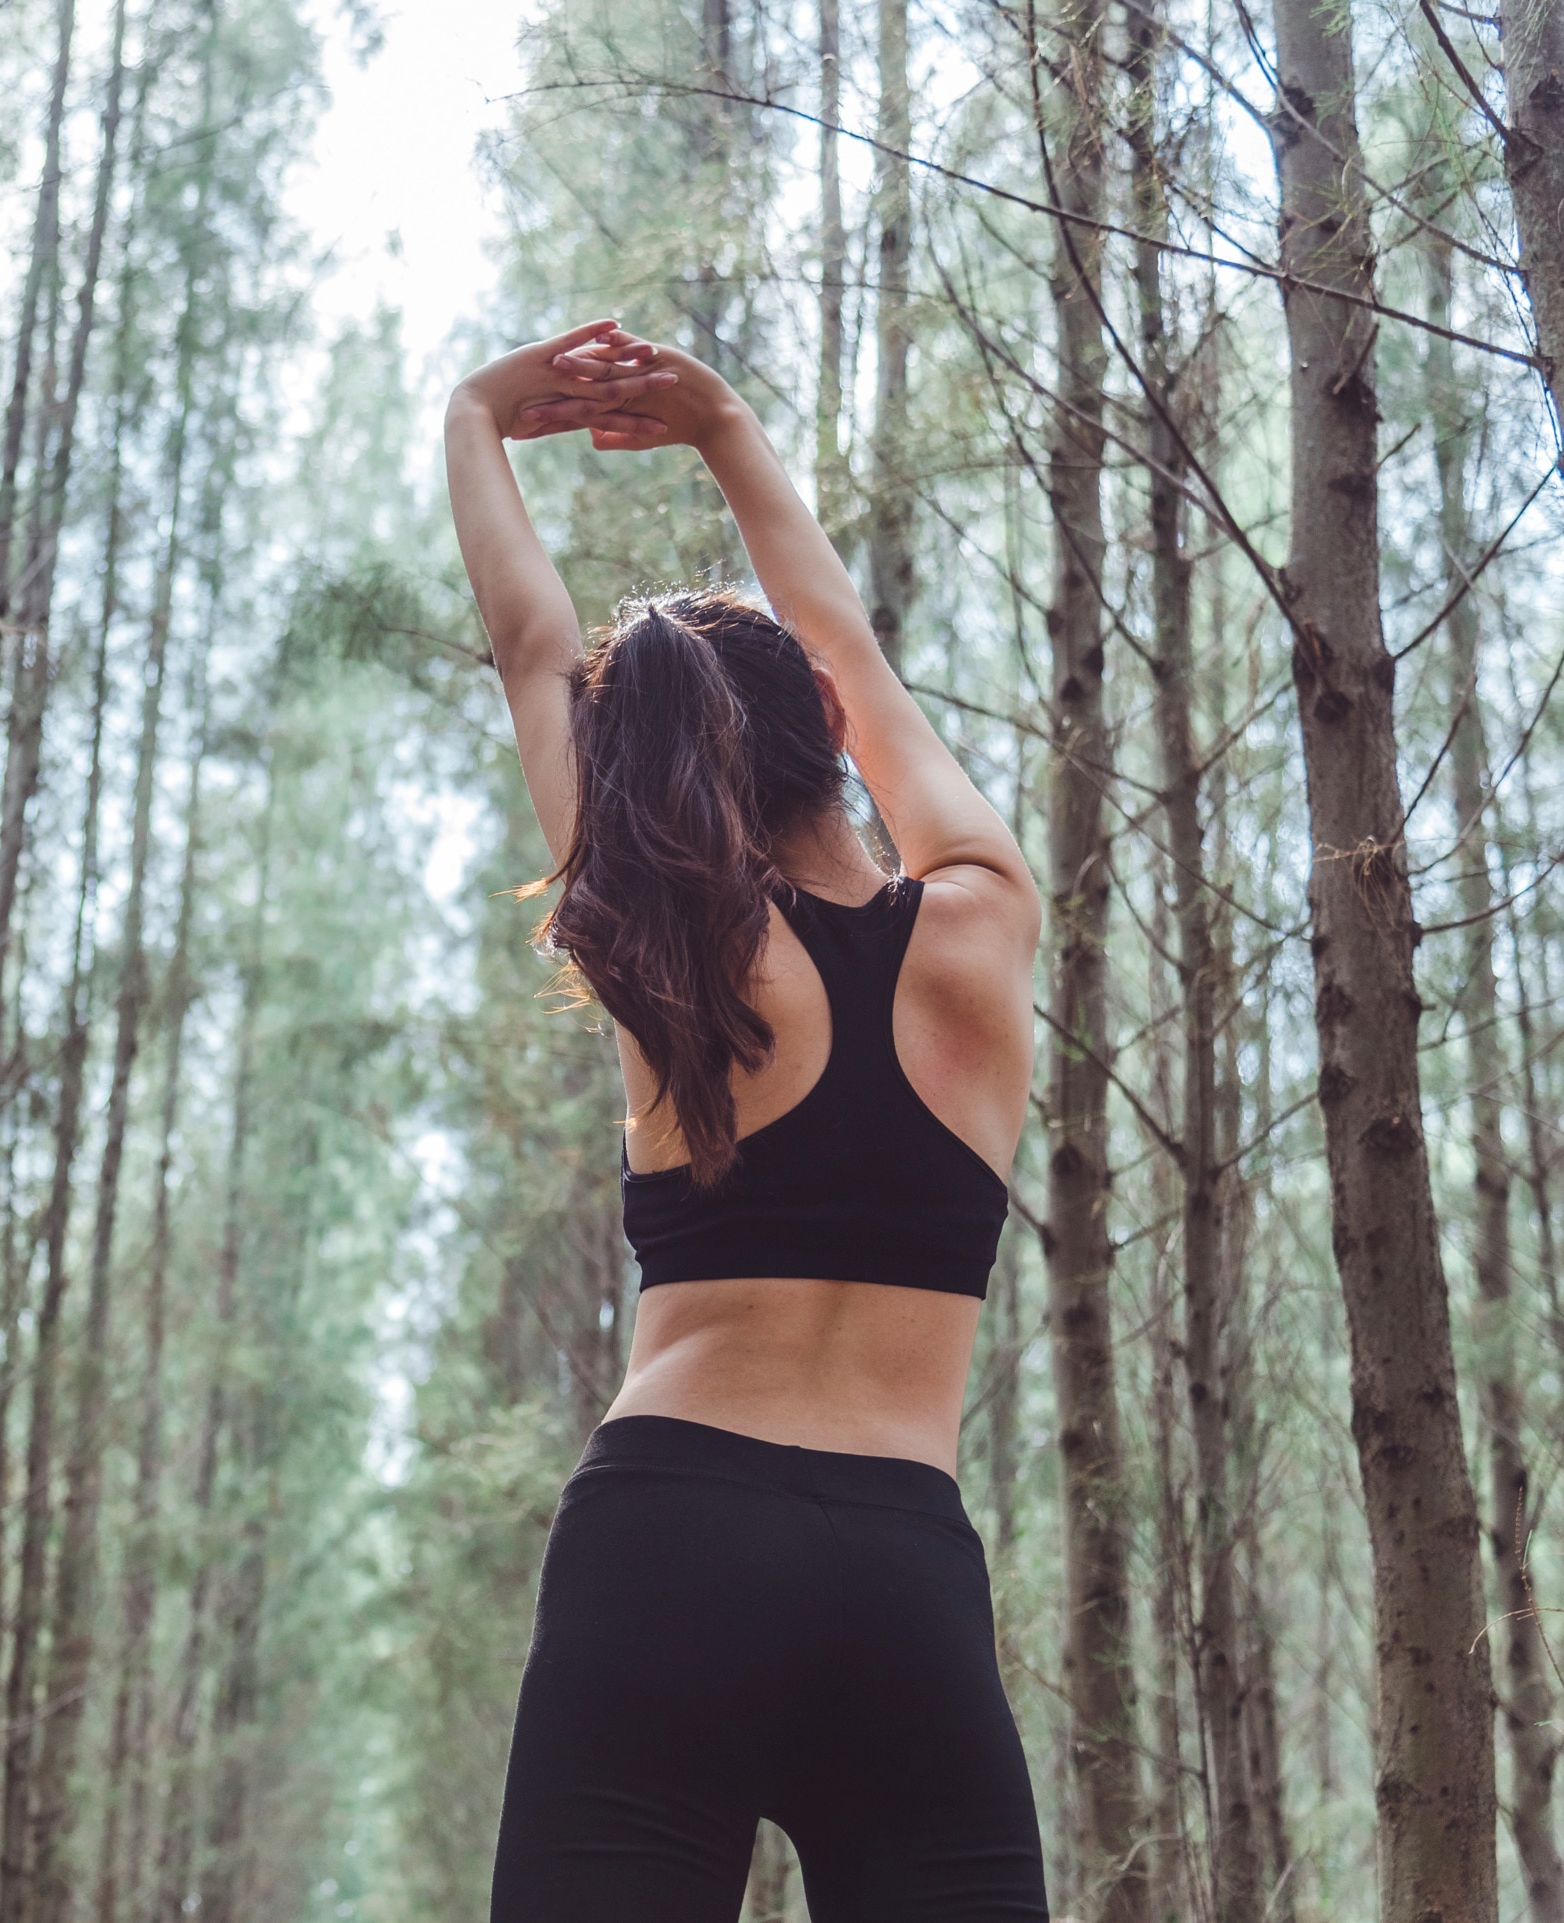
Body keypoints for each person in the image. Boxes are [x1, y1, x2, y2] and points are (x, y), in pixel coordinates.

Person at [446, 321, 1050, 1921]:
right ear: (836, 736)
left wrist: (478, 418)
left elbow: (529, 647)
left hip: (671, 1543)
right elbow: (838, 637)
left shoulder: (677, 923)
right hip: (904, 1576)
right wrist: (719, 426)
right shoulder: (983, 925)